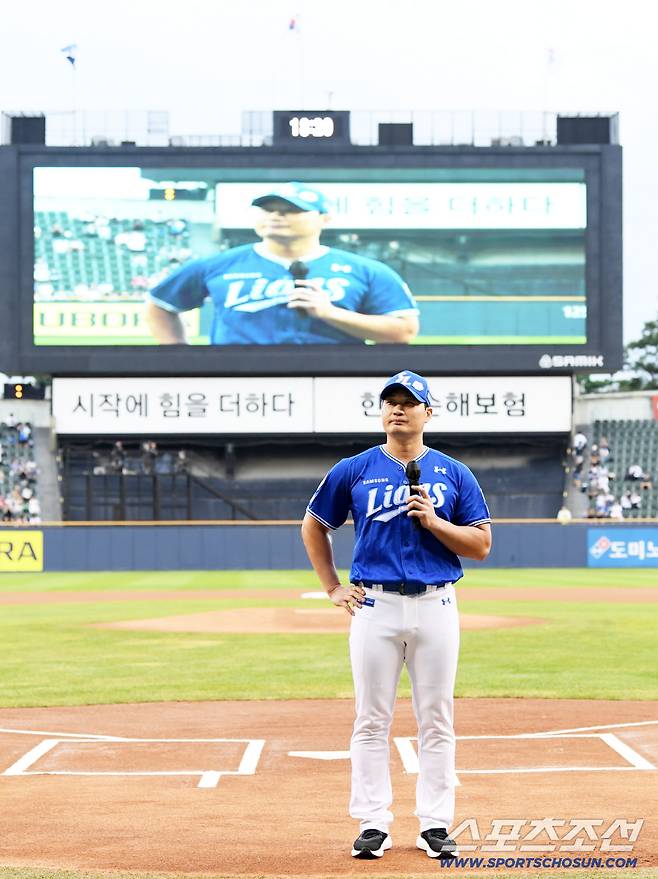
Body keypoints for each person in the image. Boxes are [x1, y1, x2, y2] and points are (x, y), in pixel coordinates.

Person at [301, 370, 492, 861]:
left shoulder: (454, 472)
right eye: (390, 401)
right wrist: (331, 587)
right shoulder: (355, 468)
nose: (398, 408)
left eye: (410, 401)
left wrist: (434, 521)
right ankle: (372, 822)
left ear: (430, 411)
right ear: (381, 411)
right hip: (374, 604)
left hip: (436, 603)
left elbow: (481, 545)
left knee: (437, 718)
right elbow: (314, 525)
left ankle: (435, 823)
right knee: (370, 718)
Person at [145, 182, 419, 346]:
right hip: (236, 375)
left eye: (292, 211)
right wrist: (180, 353)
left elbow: (403, 331)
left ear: (324, 219)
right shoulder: (218, 265)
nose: (277, 216)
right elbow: (160, 304)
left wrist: (330, 313)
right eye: (269, 210)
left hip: (334, 376)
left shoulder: (365, 270)